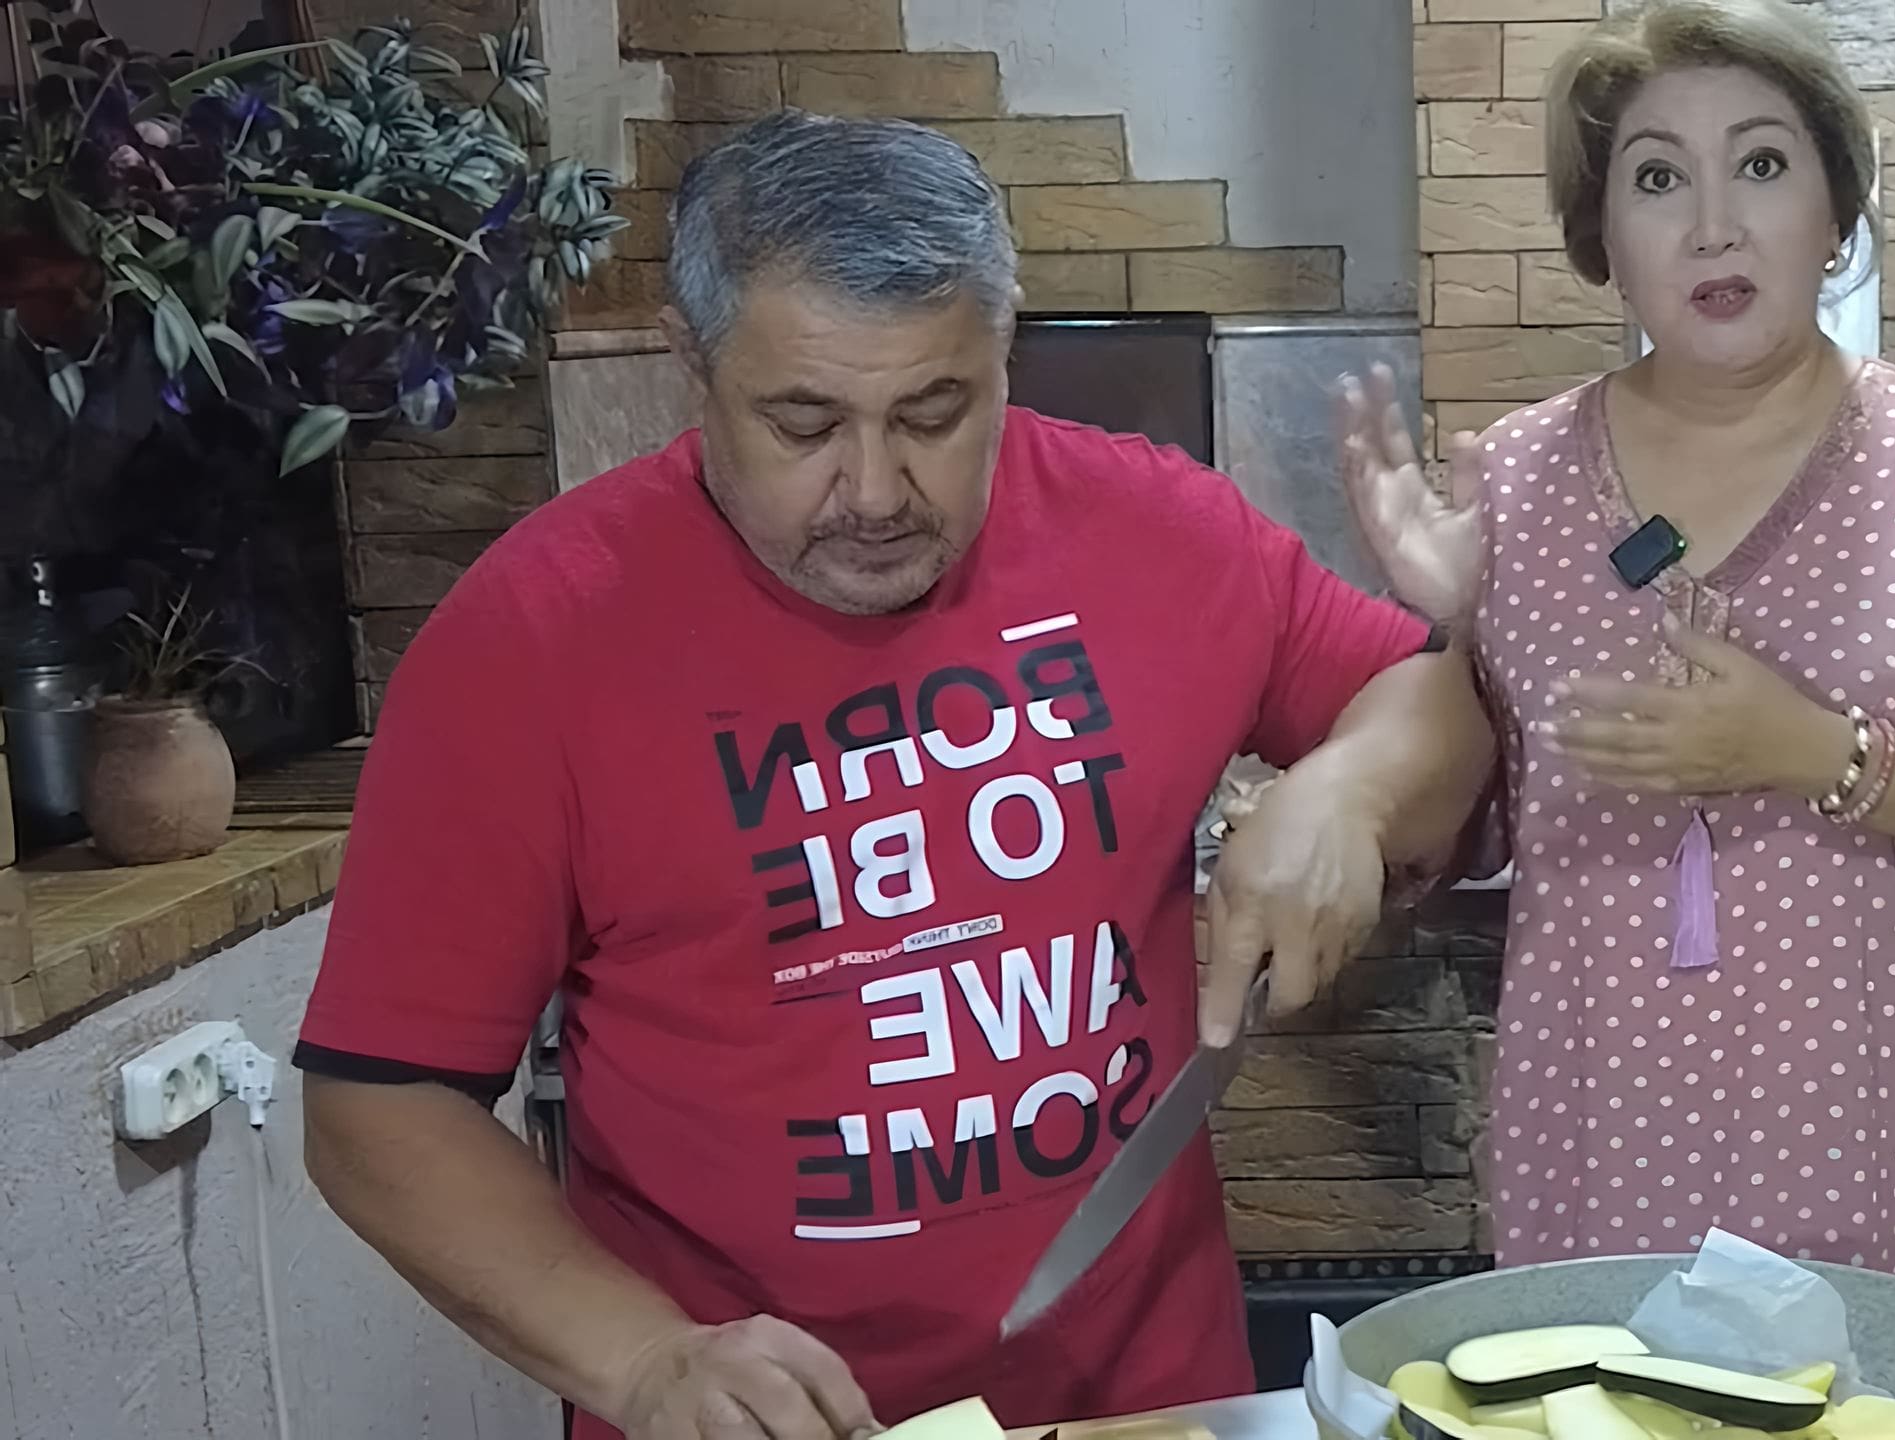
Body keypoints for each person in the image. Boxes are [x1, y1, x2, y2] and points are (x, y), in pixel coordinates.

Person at [295, 111, 1491, 1440]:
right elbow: (378, 1103)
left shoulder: (1156, 528)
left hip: (1143, 1407)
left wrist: (1349, 789)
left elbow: (1432, 707)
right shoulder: (530, 638)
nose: (873, 490)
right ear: (692, 365)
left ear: (1003, 348)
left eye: (934, 413)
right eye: (803, 422)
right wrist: (640, 1359)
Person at [1339, 0, 1895, 1316]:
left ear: (1836, 212)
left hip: (1891, 1169)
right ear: (1603, 239)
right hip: (1607, 1170)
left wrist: (1817, 753)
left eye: (1763, 165)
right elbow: (1452, 832)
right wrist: (1452, 639)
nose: (1714, 225)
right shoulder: (1517, 486)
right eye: (1658, 179)